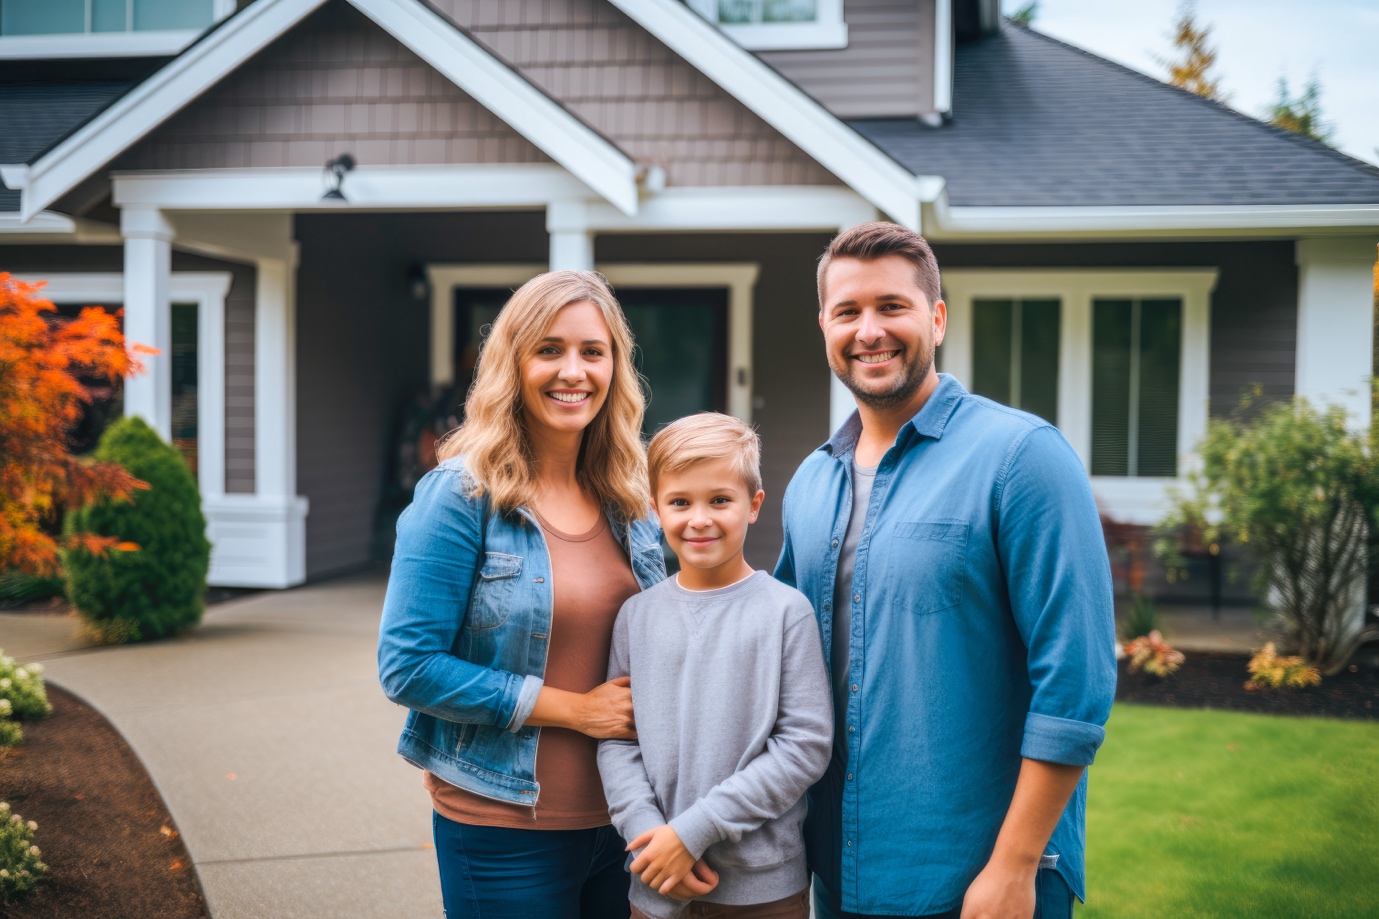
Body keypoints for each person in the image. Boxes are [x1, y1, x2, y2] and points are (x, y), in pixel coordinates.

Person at [775, 223, 1118, 919]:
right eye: (847, 312)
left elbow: (1076, 679)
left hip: (977, 877)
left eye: (891, 306)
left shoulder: (1021, 457)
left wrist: (1015, 865)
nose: (868, 330)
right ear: (823, 327)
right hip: (835, 872)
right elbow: (775, 662)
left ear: (935, 317)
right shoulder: (810, 481)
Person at [377, 270, 670, 919]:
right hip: (503, 829)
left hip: (628, 825)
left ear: (615, 367)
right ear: (513, 363)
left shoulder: (631, 497)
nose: (574, 370)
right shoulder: (459, 497)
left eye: (593, 351)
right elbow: (408, 666)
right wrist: (576, 710)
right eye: (549, 349)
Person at [599, 413, 833, 919]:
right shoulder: (635, 616)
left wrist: (693, 831)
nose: (699, 519)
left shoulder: (787, 612)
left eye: (719, 500)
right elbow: (619, 740)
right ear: (655, 510)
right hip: (655, 880)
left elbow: (804, 746)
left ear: (754, 506)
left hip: (763, 893)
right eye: (680, 502)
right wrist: (649, 837)